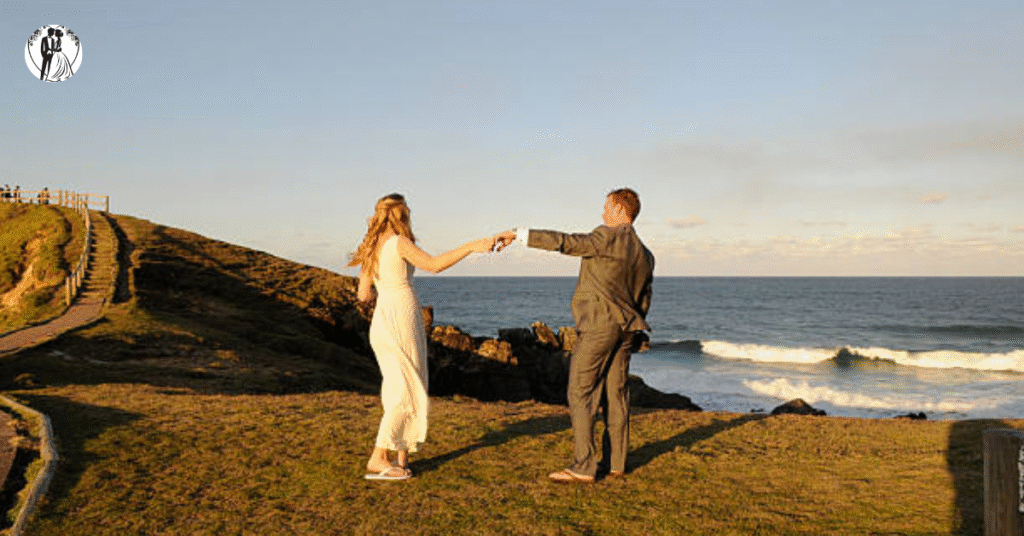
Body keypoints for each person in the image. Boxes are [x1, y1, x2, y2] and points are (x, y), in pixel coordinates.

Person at [496, 188, 654, 483]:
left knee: (580, 392)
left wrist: (519, 234)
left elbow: (566, 243)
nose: (603, 213)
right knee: (616, 395)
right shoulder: (645, 255)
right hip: (627, 331)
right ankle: (616, 463)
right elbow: (644, 299)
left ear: (620, 210)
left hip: (599, 326)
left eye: (607, 207)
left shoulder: (606, 236)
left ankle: (584, 466)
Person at [349, 193, 500, 481]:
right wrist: (472, 246)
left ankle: (402, 458)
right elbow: (434, 265)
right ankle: (378, 457)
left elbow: (363, 294)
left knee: (400, 386)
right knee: (409, 387)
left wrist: (385, 286)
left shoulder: (371, 248)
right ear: (401, 214)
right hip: (402, 316)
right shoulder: (399, 243)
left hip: (383, 318)